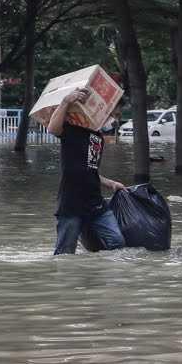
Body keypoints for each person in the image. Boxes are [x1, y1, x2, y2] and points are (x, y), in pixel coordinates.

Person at [47, 89, 127, 254]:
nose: (115, 120)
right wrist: (66, 102)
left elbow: (90, 170)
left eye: (117, 116)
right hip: (71, 204)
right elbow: (52, 129)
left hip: (96, 203)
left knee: (117, 242)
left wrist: (111, 183)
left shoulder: (98, 137)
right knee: (65, 253)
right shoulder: (74, 130)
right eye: (113, 114)